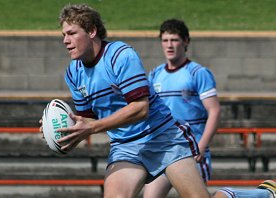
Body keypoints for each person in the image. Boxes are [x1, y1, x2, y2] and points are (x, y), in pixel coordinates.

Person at [49, 4, 211, 198]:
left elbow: (141, 108)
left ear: (92, 31)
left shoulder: (119, 55)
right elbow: (88, 122)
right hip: (125, 146)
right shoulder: (73, 73)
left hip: (162, 137)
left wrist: (92, 128)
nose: (65, 41)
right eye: (63, 35)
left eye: (71, 33)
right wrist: (59, 131)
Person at [144, 18, 276, 198]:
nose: (169, 45)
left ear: (185, 42)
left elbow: (214, 111)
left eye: (174, 40)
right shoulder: (155, 74)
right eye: (165, 40)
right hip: (164, 151)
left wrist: (201, 146)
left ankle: (256, 195)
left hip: (191, 151)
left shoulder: (198, 73)